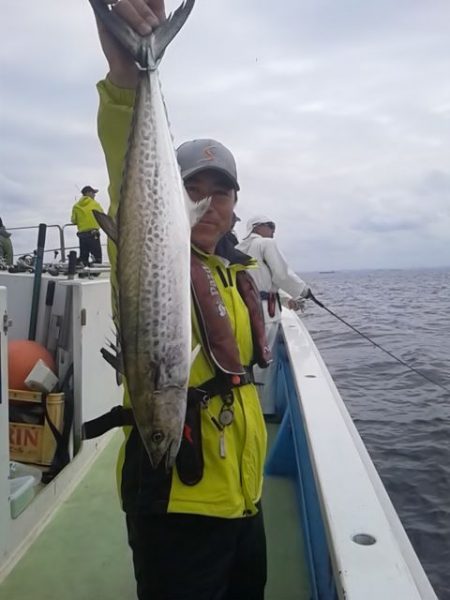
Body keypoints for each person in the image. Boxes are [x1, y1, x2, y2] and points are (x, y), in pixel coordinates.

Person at [90, 2, 271, 598]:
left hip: (244, 506)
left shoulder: (234, 275)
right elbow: (127, 178)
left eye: (222, 191)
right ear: (173, 198)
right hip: (177, 513)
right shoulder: (151, 252)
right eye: (193, 187)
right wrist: (126, 81)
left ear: (235, 203)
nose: (210, 201)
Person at [236, 215, 310, 415]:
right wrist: (303, 291)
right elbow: (281, 274)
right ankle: (265, 411)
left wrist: (286, 300)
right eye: (270, 225)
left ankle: (248, 409)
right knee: (265, 362)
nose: (273, 229)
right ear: (256, 227)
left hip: (242, 313)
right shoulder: (266, 243)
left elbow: (261, 281)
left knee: (247, 361)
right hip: (265, 316)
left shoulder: (239, 249)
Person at [71, 185, 104, 265]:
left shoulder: (76, 206)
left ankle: (83, 272)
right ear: (88, 193)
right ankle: (94, 273)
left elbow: (73, 221)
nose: (94, 195)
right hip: (93, 234)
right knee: (97, 258)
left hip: (82, 235)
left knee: (84, 257)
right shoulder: (95, 204)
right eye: (93, 193)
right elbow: (102, 216)